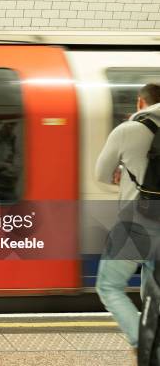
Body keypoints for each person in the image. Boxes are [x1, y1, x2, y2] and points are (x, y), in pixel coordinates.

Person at [95, 83, 160, 352]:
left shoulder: (128, 130)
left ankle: (143, 343)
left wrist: (125, 171)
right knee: (153, 292)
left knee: (109, 286)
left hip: (137, 222)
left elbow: (101, 175)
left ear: (140, 102)